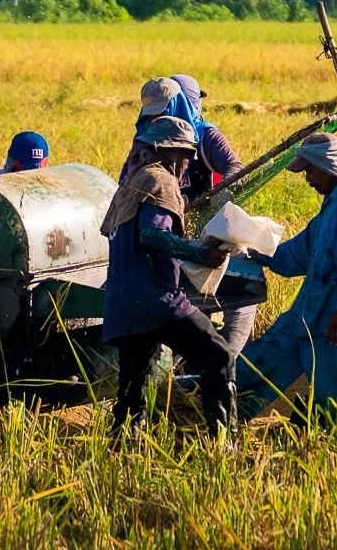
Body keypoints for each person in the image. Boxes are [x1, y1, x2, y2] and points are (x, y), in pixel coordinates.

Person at [100, 115, 236, 439]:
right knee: (219, 355)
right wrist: (201, 253)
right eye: (185, 154)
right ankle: (222, 443)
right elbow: (151, 236)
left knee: (133, 392)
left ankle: (123, 452)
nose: (189, 162)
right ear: (167, 152)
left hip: (123, 304)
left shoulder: (129, 184)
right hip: (156, 301)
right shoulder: (160, 180)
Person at [235, 132, 337, 422]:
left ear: (329, 166)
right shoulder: (334, 204)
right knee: (255, 368)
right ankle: (216, 420)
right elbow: (298, 254)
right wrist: (254, 250)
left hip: (333, 324)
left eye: (310, 171)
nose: (308, 179)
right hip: (307, 317)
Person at [156, 74, 258, 358]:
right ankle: (191, 366)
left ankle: (226, 362)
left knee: (241, 294)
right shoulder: (157, 139)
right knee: (184, 302)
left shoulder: (205, 136)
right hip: (173, 237)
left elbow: (235, 167)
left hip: (212, 232)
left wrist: (215, 201)